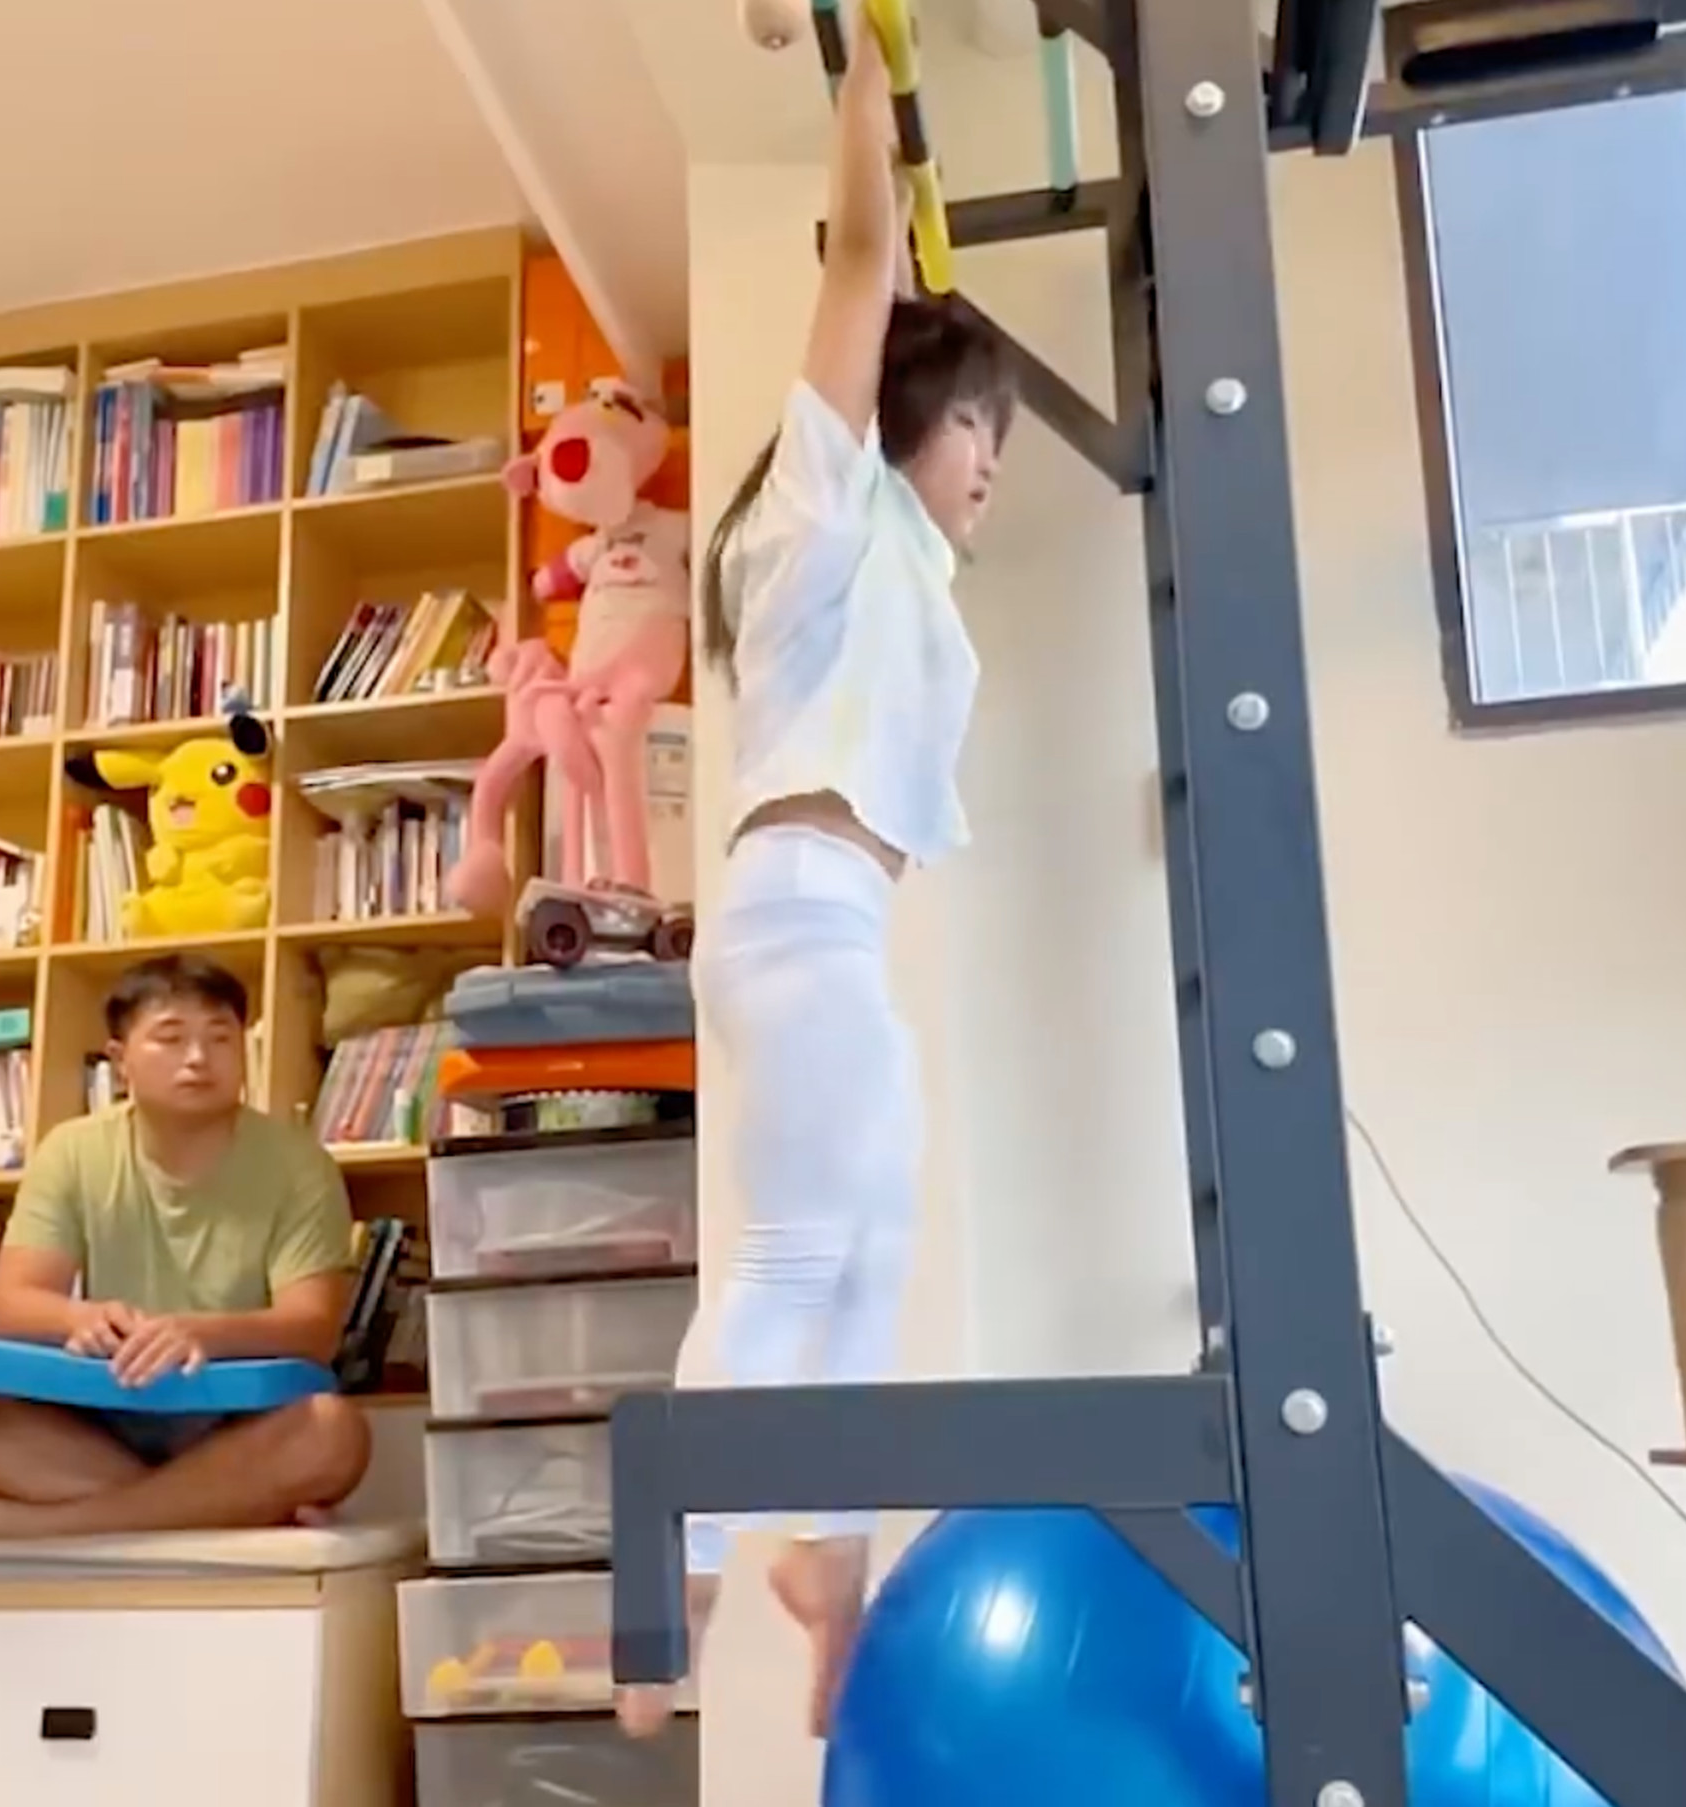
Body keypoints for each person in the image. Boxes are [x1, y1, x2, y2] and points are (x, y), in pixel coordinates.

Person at [616, 3, 1015, 1742]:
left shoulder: (915, 575)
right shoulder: (823, 525)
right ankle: (673, 1590)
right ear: (898, 433)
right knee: (789, 1260)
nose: (990, 468)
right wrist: (861, 72)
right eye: (976, 435)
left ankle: (822, 1579)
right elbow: (860, 271)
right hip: (791, 922)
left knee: (871, 1248)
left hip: (826, 932)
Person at [0, 954, 368, 1549]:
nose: (198, 1058)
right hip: (100, 1413)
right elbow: (11, 1306)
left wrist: (198, 1333)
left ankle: (29, 1526)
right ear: (120, 1062)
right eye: (171, 1039)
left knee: (333, 1432)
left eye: (220, 1038)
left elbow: (314, 1328)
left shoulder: (298, 1162)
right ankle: (226, 1507)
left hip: (235, 1416)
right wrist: (81, 1319)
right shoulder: (73, 1151)